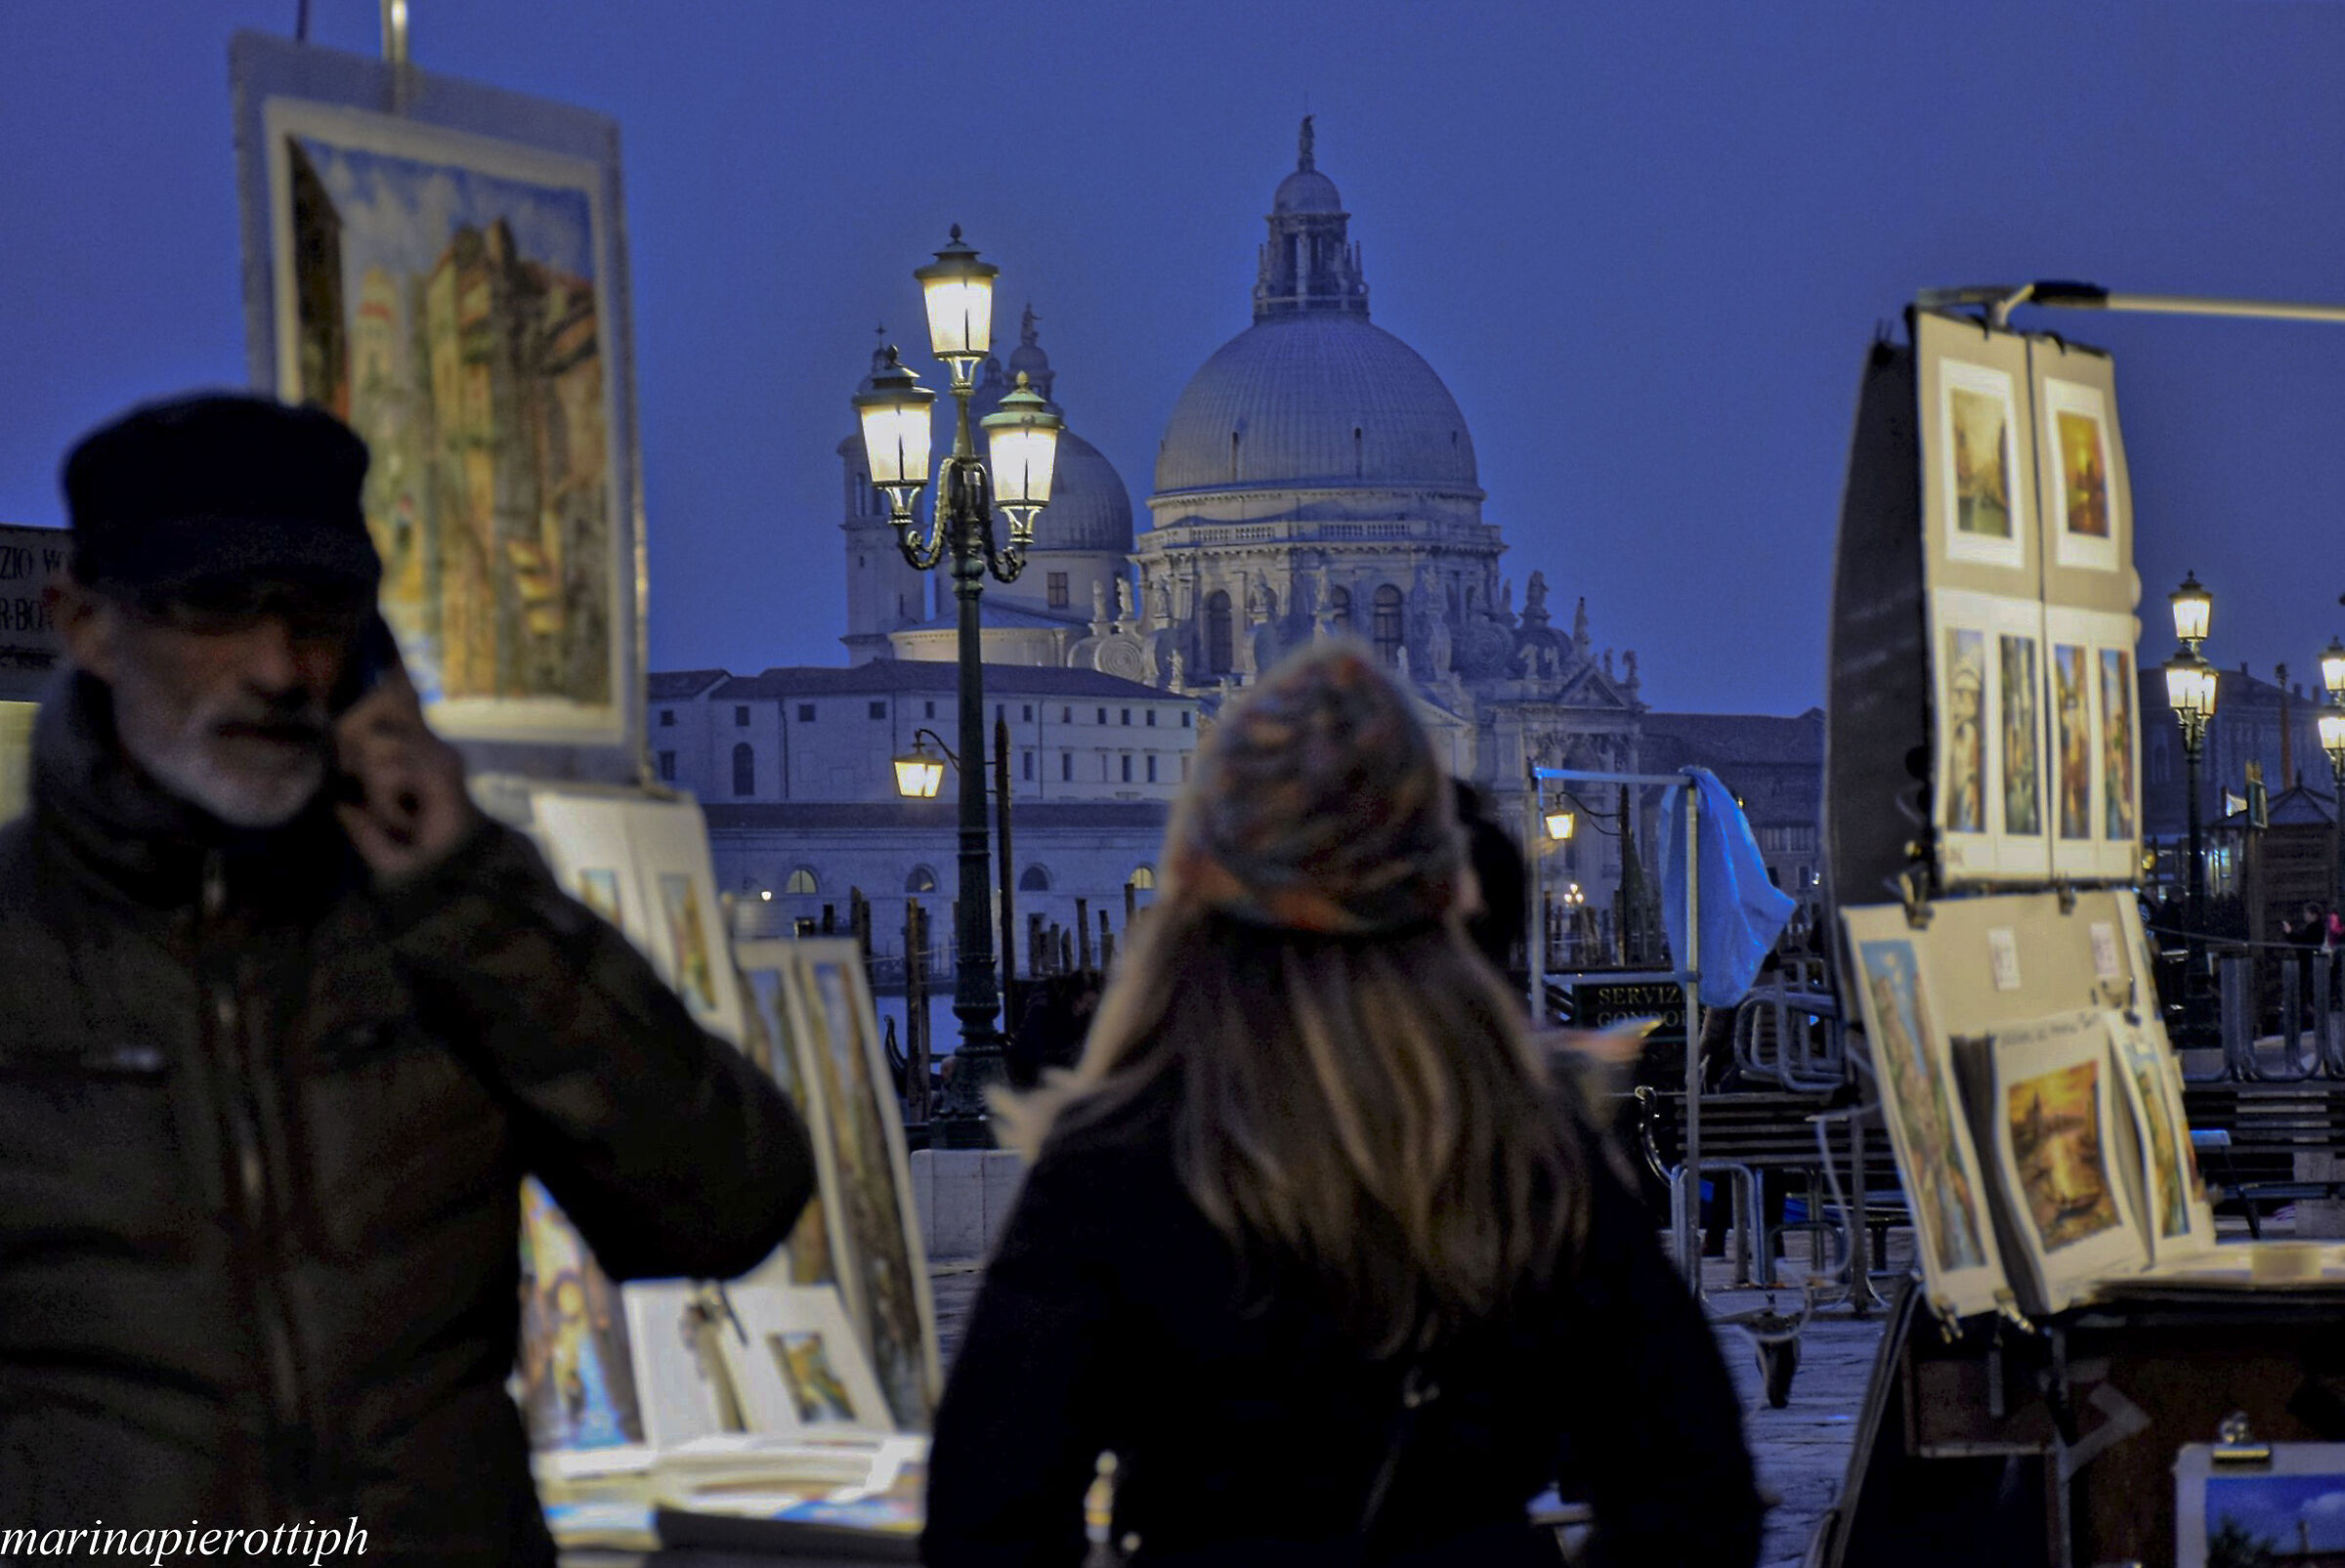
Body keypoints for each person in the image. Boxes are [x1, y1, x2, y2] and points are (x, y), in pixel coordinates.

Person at [0, 394, 812, 1564]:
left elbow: (728, 1204)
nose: (282, 667)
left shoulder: (455, 916)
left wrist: (470, 892)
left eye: (323, 617)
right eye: (221, 610)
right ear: (85, 625)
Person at [923, 641, 1761, 1567]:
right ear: (1435, 905)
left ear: (1202, 907)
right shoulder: (1526, 1149)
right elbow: (1696, 1491)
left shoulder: (1119, 1159)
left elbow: (986, 1516)